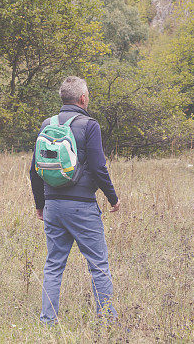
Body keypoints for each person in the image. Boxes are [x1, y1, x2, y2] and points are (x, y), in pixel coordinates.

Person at [30, 76, 120, 325]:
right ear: (82, 98)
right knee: (98, 265)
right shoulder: (90, 125)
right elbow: (99, 168)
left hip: (53, 206)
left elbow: (34, 168)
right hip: (82, 207)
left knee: (53, 265)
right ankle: (107, 322)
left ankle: (47, 320)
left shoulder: (46, 124)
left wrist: (40, 204)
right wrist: (113, 198)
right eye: (87, 94)